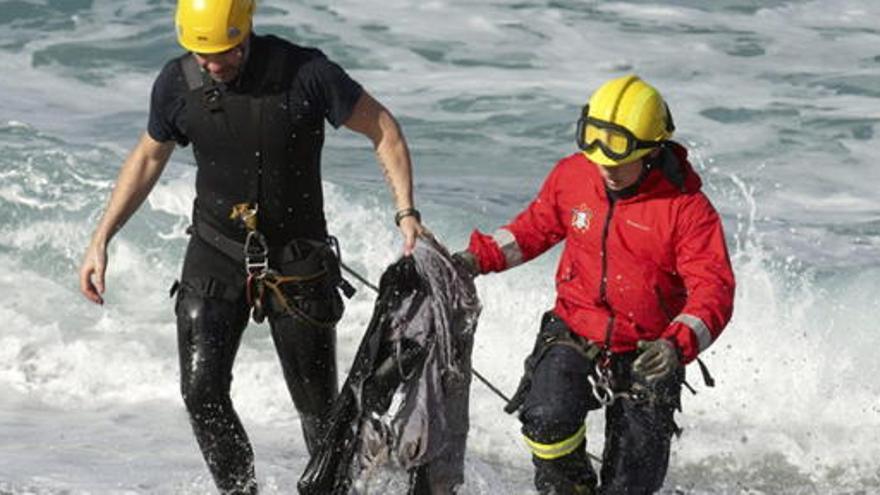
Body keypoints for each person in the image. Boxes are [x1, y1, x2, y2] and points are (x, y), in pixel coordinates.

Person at [77, 1, 424, 492]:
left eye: (224, 53)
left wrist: (405, 211)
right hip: (216, 248)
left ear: (247, 31)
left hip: (296, 255)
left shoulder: (307, 72)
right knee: (201, 393)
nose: (213, 65)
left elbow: (382, 129)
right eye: (202, 56)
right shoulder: (176, 83)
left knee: (319, 413)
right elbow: (148, 157)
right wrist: (101, 238)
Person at [454, 75, 735, 494]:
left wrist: (675, 345)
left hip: (649, 350)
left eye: (619, 162)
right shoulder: (573, 176)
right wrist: (476, 259)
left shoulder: (687, 210)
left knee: (630, 485)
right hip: (574, 329)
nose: (606, 170)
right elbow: (531, 230)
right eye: (597, 159)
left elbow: (714, 291)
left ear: (653, 152)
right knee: (546, 421)